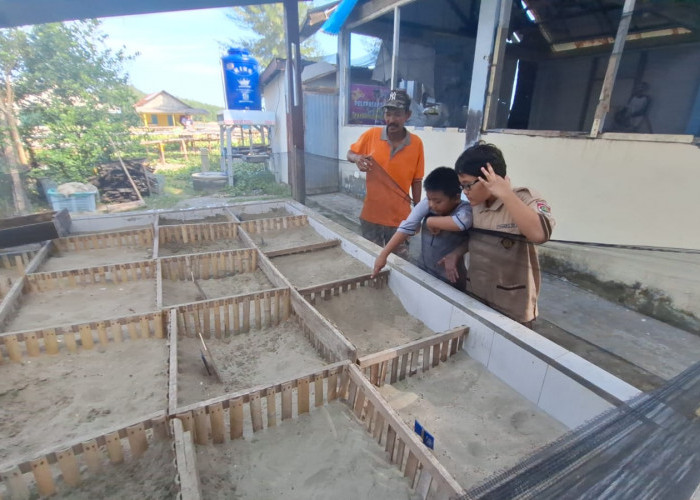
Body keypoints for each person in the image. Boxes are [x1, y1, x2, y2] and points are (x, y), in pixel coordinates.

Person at [446, 142, 555, 327]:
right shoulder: (476, 205)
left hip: (512, 306)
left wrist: (506, 194)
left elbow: (539, 234)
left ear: (490, 178)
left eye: (468, 185)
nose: (465, 192)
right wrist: (456, 253)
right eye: (461, 186)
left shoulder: (524, 199)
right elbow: (475, 238)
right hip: (478, 294)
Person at [347, 89, 424, 258]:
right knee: (370, 258)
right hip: (371, 215)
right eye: (388, 114)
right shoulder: (371, 135)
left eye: (397, 114)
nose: (391, 120)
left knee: (399, 263)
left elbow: (417, 181)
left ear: (408, 115)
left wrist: (417, 215)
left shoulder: (416, 144)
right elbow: (350, 153)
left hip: (400, 220)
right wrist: (358, 158)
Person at [371, 167, 472, 289]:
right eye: (429, 199)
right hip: (423, 267)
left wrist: (431, 221)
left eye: (438, 201)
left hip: (450, 277)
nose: (431, 205)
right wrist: (384, 255)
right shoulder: (429, 203)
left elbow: (461, 223)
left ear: (456, 198)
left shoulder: (465, 210)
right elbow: (407, 226)